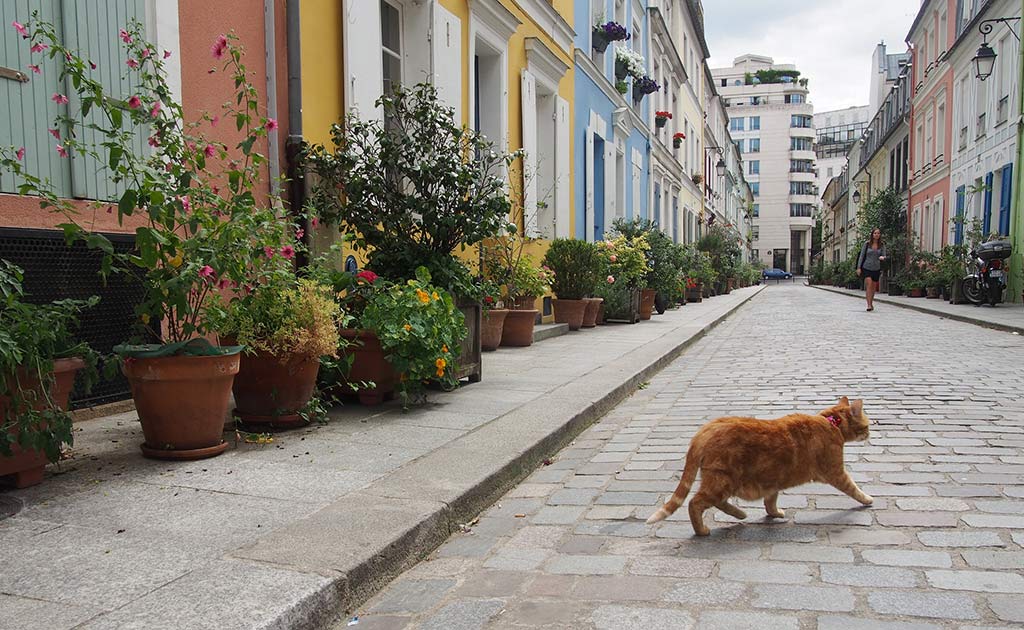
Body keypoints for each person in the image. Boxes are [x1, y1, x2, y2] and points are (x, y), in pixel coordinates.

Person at [856, 228, 887, 311]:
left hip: (876, 268)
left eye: (878, 233)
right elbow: (861, 256)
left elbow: (884, 255)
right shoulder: (867, 244)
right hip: (867, 267)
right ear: (872, 235)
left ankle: (871, 302)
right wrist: (859, 267)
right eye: (875, 233)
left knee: (873, 287)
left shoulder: (882, 245)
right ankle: (869, 305)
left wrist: (883, 257)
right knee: (869, 284)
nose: (876, 235)